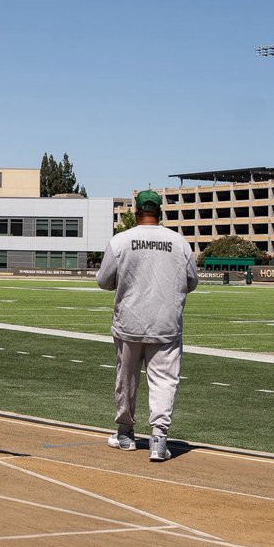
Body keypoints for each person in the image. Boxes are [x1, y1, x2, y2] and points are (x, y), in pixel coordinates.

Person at [95, 190, 198, 462]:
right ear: (160, 212)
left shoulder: (120, 241)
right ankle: (159, 439)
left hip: (129, 320)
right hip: (166, 322)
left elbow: (104, 281)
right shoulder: (179, 243)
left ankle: (126, 433)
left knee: (126, 379)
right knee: (164, 380)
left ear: (137, 211)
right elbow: (192, 282)